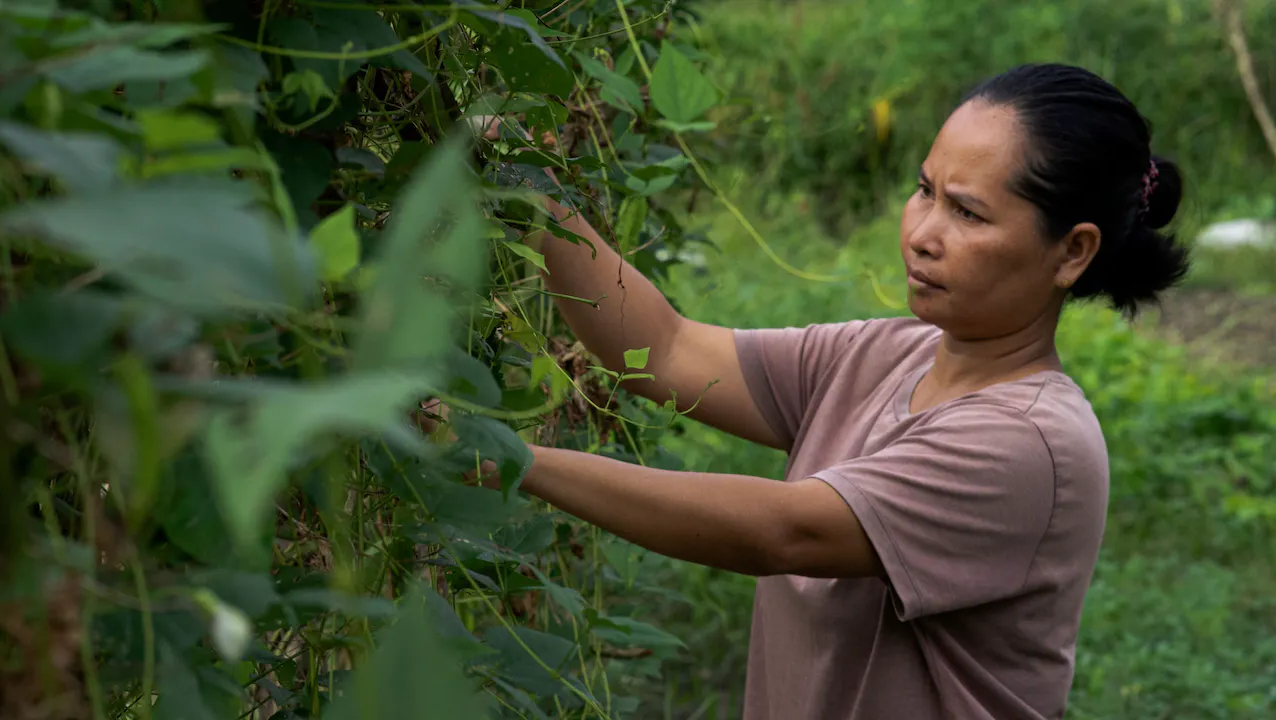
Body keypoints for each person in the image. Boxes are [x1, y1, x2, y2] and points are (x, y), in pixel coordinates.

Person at [449, 63, 1190, 719]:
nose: (923, 233)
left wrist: (513, 458)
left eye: (967, 212)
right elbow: (666, 353)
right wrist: (527, 188)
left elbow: (784, 530)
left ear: (1073, 251)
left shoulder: (1031, 443)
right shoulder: (886, 354)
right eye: (924, 191)